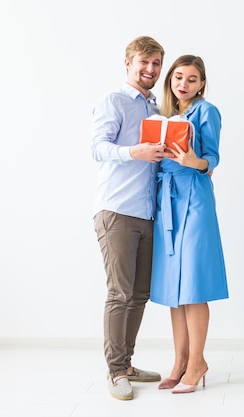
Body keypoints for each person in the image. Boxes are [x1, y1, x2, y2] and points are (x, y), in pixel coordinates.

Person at [91, 35, 168, 401]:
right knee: (119, 293)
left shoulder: (158, 108)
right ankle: (115, 371)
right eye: (144, 63)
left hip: (147, 212)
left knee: (140, 294)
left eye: (156, 64)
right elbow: (98, 148)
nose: (150, 70)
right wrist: (133, 152)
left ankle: (127, 363)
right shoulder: (114, 101)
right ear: (129, 63)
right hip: (117, 211)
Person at [150, 55, 229, 394]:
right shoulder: (165, 116)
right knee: (175, 289)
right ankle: (180, 361)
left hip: (194, 196)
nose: (183, 84)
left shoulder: (206, 111)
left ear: (201, 84)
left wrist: (193, 161)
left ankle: (197, 361)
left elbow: (212, 157)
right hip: (167, 199)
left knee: (193, 284)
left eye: (192, 79)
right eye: (178, 77)